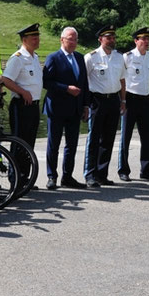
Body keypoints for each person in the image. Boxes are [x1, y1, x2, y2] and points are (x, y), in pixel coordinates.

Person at [42, 27, 89, 190]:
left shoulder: (80, 58)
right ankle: (51, 176)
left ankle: (67, 176)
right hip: (56, 107)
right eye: (70, 39)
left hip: (75, 109)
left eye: (76, 39)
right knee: (53, 144)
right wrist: (66, 88)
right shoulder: (53, 58)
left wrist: (86, 105)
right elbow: (46, 82)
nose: (74, 42)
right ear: (62, 40)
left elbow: (84, 83)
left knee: (72, 144)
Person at [83, 25, 126, 188]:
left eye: (114, 37)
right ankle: (90, 174)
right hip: (97, 100)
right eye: (109, 37)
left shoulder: (119, 57)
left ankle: (102, 174)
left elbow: (122, 80)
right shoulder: (91, 57)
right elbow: (84, 81)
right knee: (93, 138)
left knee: (108, 139)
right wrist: (86, 104)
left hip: (113, 100)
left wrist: (123, 101)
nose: (112, 40)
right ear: (100, 39)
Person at [2, 23, 43, 190]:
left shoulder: (35, 57)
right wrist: (22, 92)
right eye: (33, 37)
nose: (37, 40)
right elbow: (6, 80)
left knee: (29, 143)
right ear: (24, 39)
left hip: (33, 105)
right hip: (21, 105)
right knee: (19, 143)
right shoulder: (18, 58)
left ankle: (25, 177)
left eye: (38, 36)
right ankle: (15, 180)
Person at [117, 27, 149, 182]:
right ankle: (123, 170)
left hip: (145, 100)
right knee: (125, 136)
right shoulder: (127, 57)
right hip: (130, 99)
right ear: (136, 41)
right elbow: (120, 79)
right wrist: (122, 100)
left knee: (148, 136)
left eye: (148, 39)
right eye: (144, 39)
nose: (147, 42)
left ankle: (147, 170)